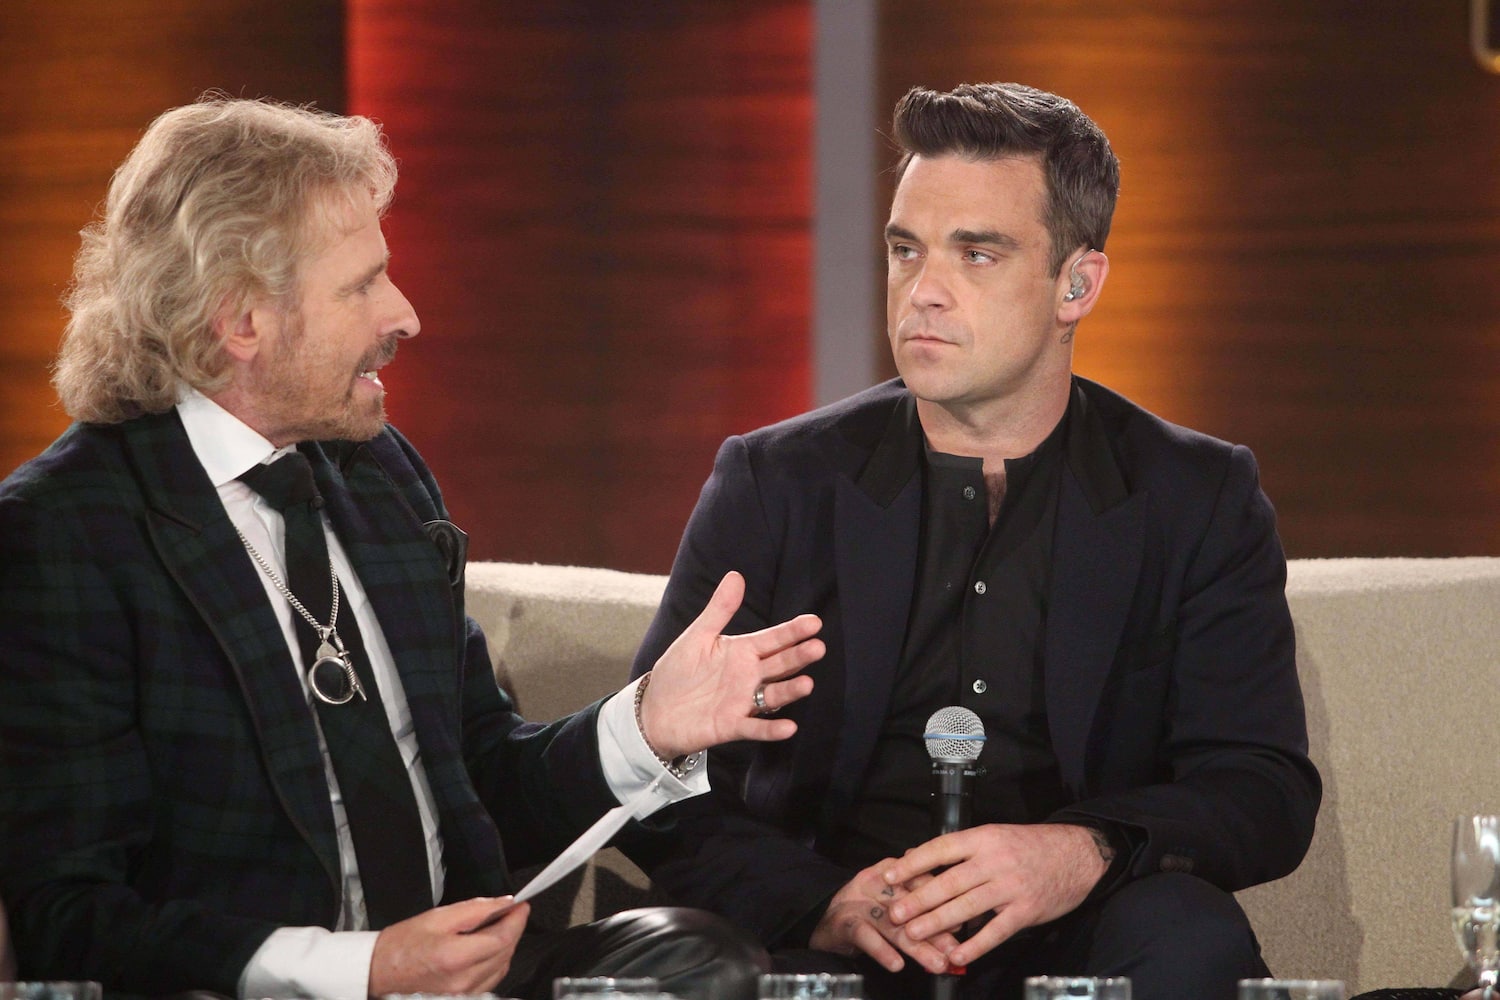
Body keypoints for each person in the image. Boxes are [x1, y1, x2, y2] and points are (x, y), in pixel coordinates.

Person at [0, 96, 827, 1000]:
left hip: (464, 983)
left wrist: (645, 725)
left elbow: (483, 781)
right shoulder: (66, 534)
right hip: (255, 988)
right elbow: (68, 915)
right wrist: (366, 970)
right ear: (241, 322)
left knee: (704, 964)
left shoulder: (378, 474)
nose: (405, 314)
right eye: (362, 285)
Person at [626, 82, 1322, 1000]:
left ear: (1077, 284)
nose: (923, 292)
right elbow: (656, 772)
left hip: (1082, 936)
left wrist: (1079, 852)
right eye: (905, 250)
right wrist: (822, 902)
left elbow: (1261, 786)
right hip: (837, 943)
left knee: (1191, 938)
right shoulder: (777, 483)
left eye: (977, 254)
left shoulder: (1195, 497)